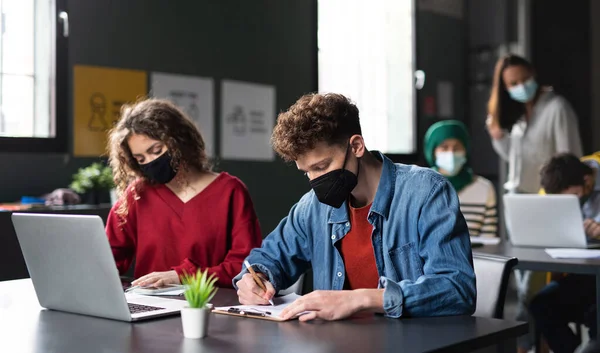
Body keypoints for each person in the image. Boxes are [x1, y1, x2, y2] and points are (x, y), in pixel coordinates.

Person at [233, 93, 476, 321]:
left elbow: (456, 289)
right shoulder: (313, 207)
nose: (314, 181)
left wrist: (361, 298)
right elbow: (269, 257)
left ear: (357, 146)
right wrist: (256, 278)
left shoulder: (426, 192)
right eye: (306, 172)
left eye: (321, 167)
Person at [106, 98, 262, 288]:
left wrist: (183, 276)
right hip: (150, 307)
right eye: (140, 158)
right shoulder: (137, 194)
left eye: (156, 150)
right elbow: (107, 257)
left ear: (178, 141)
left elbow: (245, 267)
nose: (150, 162)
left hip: (211, 307)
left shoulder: (230, 191)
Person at [528, 152, 600, 353]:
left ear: (587, 181)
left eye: (573, 197)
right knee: (541, 305)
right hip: (585, 274)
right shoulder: (562, 184)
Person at [486, 54, 583, 194]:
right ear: (505, 88)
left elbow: (569, 157)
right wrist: (498, 136)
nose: (522, 86)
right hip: (518, 191)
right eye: (513, 83)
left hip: (549, 194)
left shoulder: (557, 108)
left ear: (533, 74)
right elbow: (515, 156)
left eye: (525, 79)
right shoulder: (519, 115)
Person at [424, 120, 498, 238]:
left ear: (465, 151)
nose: (451, 153)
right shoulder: (420, 186)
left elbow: (488, 239)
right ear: (433, 152)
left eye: (457, 147)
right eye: (444, 148)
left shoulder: (484, 188)